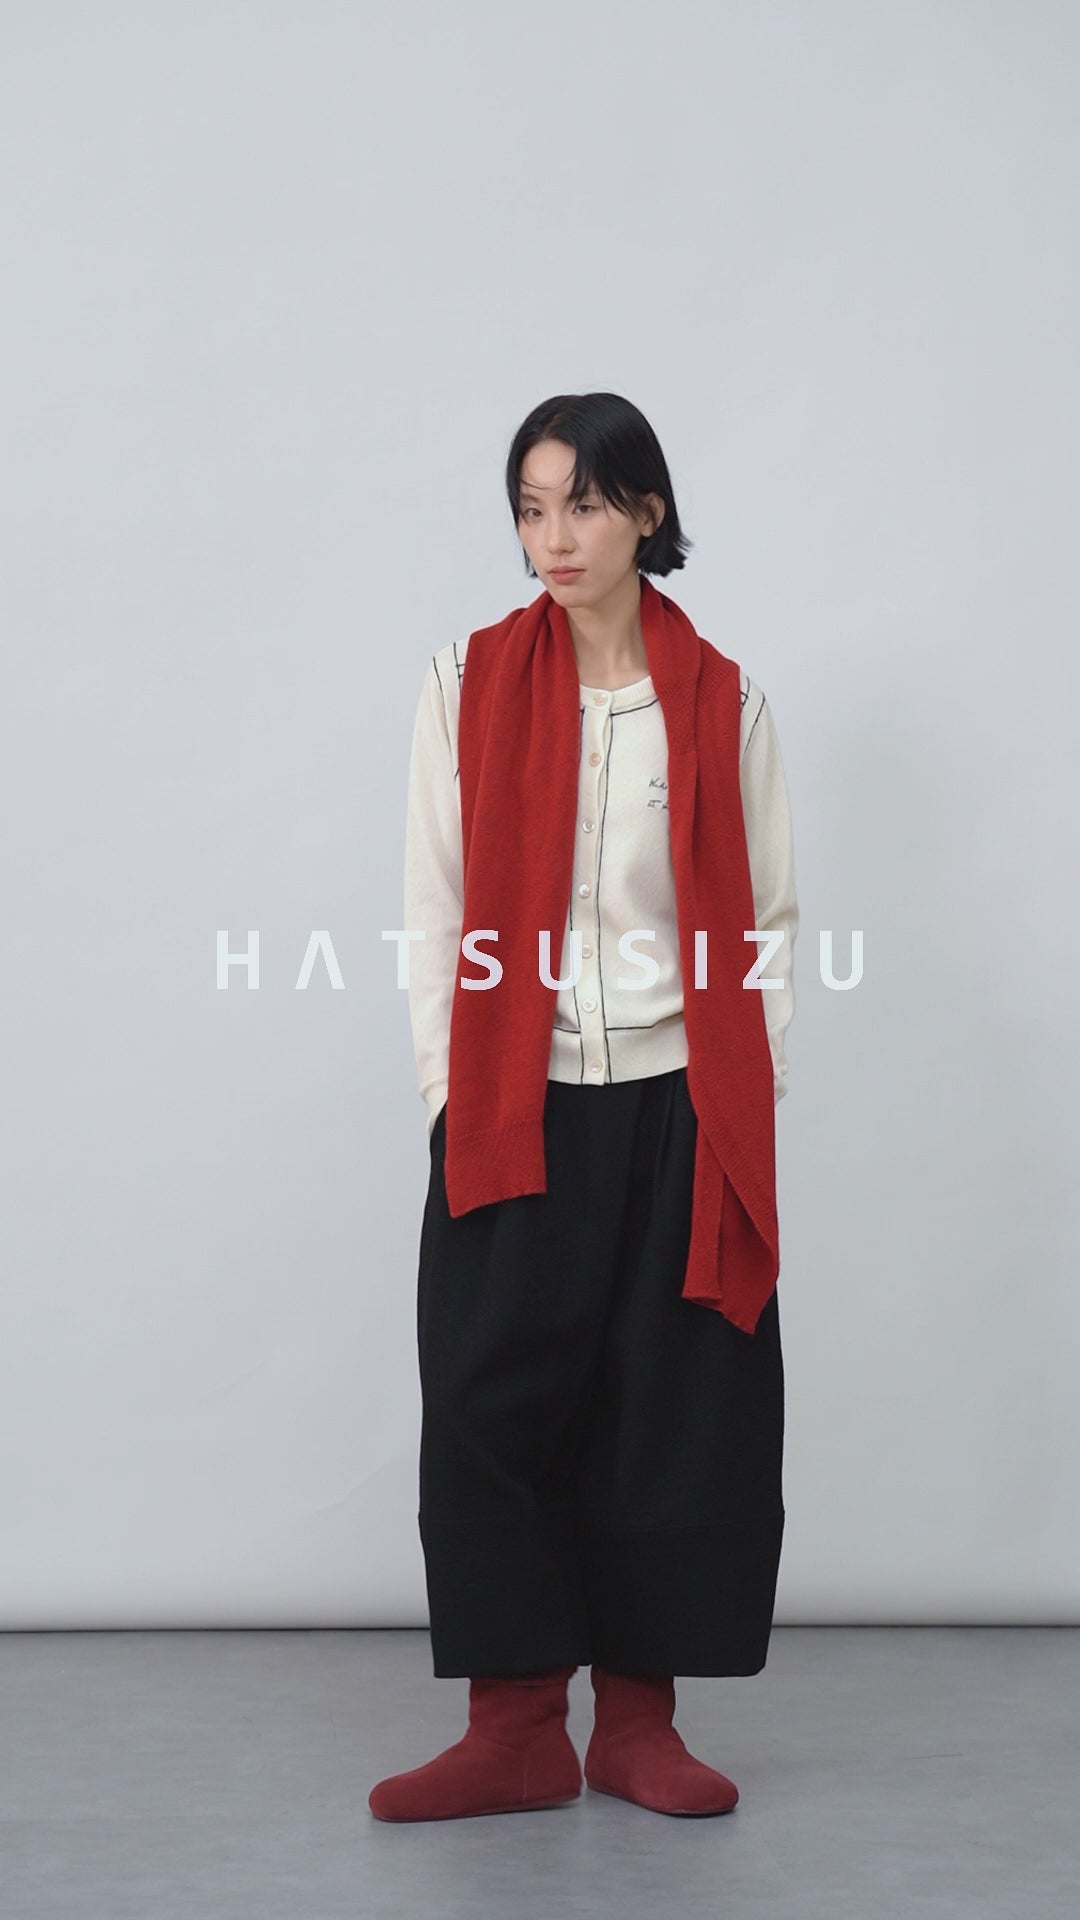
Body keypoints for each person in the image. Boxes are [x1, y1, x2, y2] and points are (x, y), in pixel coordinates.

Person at [369, 392, 798, 1823]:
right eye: (532, 508)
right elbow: (436, 907)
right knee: (489, 1402)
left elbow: (767, 927)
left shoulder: (724, 701)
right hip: (516, 1099)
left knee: (666, 1407)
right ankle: (512, 1732)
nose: (555, 538)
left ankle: (636, 1727)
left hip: (680, 1101)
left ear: (647, 513)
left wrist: (743, 1107)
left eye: (587, 506)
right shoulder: (465, 679)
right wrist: (453, 1095)